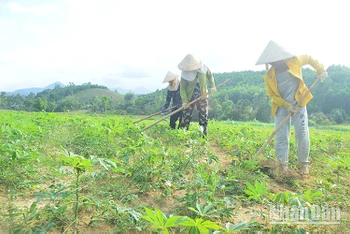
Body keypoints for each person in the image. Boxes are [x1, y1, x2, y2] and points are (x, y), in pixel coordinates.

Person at [256, 40, 328, 175]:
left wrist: (320, 70)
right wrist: (287, 105)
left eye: (276, 61)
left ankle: (303, 165)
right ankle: (282, 166)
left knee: (302, 134)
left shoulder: (294, 61)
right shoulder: (269, 76)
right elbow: (272, 95)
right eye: (271, 62)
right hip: (281, 107)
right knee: (281, 136)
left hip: (299, 103)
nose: (274, 64)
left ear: (281, 58)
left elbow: (308, 58)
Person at [177, 54, 216, 136]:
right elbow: (182, 88)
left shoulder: (204, 68)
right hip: (189, 97)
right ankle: (183, 135)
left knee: (203, 115)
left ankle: (203, 135)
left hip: (203, 95)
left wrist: (212, 86)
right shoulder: (185, 74)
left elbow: (210, 76)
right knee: (186, 115)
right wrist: (184, 101)